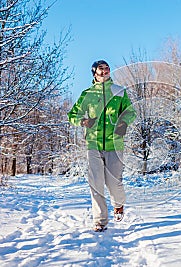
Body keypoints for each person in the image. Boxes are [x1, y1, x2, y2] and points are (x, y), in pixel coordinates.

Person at [67, 60, 136, 232]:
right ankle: (100, 220)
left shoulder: (119, 91)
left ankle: (118, 205)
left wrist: (124, 123)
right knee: (96, 183)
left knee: (114, 183)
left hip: (115, 143)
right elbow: (72, 114)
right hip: (93, 144)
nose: (105, 71)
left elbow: (130, 112)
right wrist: (82, 121)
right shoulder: (87, 94)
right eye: (101, 68)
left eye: (107, 68)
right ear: (94, 73)